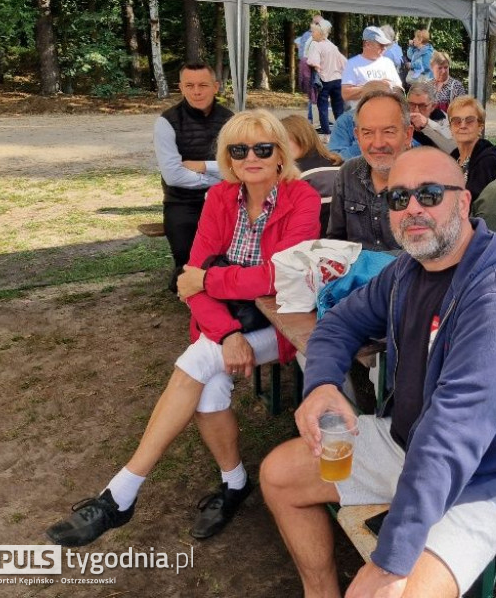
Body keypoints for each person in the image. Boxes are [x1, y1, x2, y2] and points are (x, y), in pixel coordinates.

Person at [260, 147, 496, 598]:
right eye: (399, 198)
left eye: (429, 194)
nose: (412, 208)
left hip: (488, 477)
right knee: (279, 474)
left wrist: (390, 560)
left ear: (463, 202)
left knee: (396, 593)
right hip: (408, 443)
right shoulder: (408, 268)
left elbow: (454, 433)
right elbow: (340, 322)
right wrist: (322, 384)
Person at [47, 110, 321, 547]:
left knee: (195, 365)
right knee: (209, 389)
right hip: (226, 325)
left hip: (281, 324)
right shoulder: (219, 199)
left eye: (263, 148)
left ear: (280, 155)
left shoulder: (301, 198)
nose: (251, 157)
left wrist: (213, 279)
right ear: (227, 158)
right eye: (239, 149)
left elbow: (278, 277)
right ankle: (234, 484)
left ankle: (121, 492)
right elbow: (188, 279)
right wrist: (228, 332)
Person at [153, 60, 234, 293]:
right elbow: (173, 176)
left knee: (226, 257)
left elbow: (239, 165)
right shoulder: (166, 122)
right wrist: (218, 176)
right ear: (181, 87)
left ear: (216, 87)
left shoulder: (230, 119)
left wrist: (201, 166)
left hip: (225, 199)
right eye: (190, 85)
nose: (196, 92)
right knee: (187, 263)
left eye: (203, 85)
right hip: (182, 201)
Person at [328, 88, 413, 250]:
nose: (378, 143)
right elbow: (335, 242)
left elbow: (435, 252)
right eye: (367, 133)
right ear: (357, 136)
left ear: (408, 135)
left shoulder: (428, 178)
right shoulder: (348, 174)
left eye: (388, 132)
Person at [281, 114, 343, 235]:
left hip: (314, 242)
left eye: (283, 141)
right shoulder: (341, 165)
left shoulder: (295, 175)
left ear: (301, 138)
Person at [448, 96, 496, 202]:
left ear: (480, 127)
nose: (463, 125)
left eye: (469, 121)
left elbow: (480, 206)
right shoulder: (452, 159)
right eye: (456, 121)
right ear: (450, 128)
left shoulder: (488, 162)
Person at [341, 26, 403, 110]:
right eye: (381, 45)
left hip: (386, 113)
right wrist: (372, 87)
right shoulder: (352, 64)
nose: (384, 49)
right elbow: (346, 94)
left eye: (385, 46)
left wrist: (391, 88)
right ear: (367, 44)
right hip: (362, 115)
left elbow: (399, 89)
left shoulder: (388, 63)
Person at [305, 20, 347, 136]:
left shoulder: (316, 45)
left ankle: (326, 135)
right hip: (338, 80)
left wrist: (315, 68)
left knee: (322, 108)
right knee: (339, 109)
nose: (312, 34)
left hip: (325, 81)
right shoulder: (332, 46)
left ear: (320, 33)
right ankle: (341, 134)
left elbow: (313, 62)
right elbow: (344, 63)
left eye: (313, 32)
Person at [407, 81, 455, 153]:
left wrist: (426, 124)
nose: (416, 111)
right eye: (412, 105)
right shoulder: (403, 118)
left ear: (433, 106)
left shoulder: (443, 119)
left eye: (422, 106)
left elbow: (453, 150)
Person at [295, 14, 324, 96]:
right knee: (313, 95)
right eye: (319, 24)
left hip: (318, 71)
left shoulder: (320, 35)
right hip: (312, 71)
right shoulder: (308, 35)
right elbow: (303, 54)